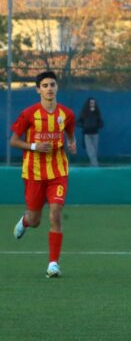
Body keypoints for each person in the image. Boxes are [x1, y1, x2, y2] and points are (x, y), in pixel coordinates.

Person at [10, 71, 77, 278]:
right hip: (34, 172)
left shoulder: (67, 114)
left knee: (55, 213)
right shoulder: (29, 114)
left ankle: (53, 264)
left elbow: (70, 133)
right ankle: (26, 221)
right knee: (36, 219)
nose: (49, 88)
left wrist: (72, 143)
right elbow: (14, 141)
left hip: (58, 171)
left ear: (57, 88)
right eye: (45, 85)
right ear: (38, 89)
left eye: (52, 85)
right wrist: (34, 146)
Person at [77, 97, 103, 167]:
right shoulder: (84, 112)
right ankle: (95, 164)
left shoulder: (96, 112)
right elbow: (78, 121)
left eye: (93, 103)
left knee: (94, 150)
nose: (92, 104)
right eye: (91, 103)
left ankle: (93, 164)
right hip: (87, 133)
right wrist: (84, 126)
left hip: (95, 133)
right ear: (88, 104)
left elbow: (100, 121)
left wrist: (98, 125)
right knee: (90, 150)